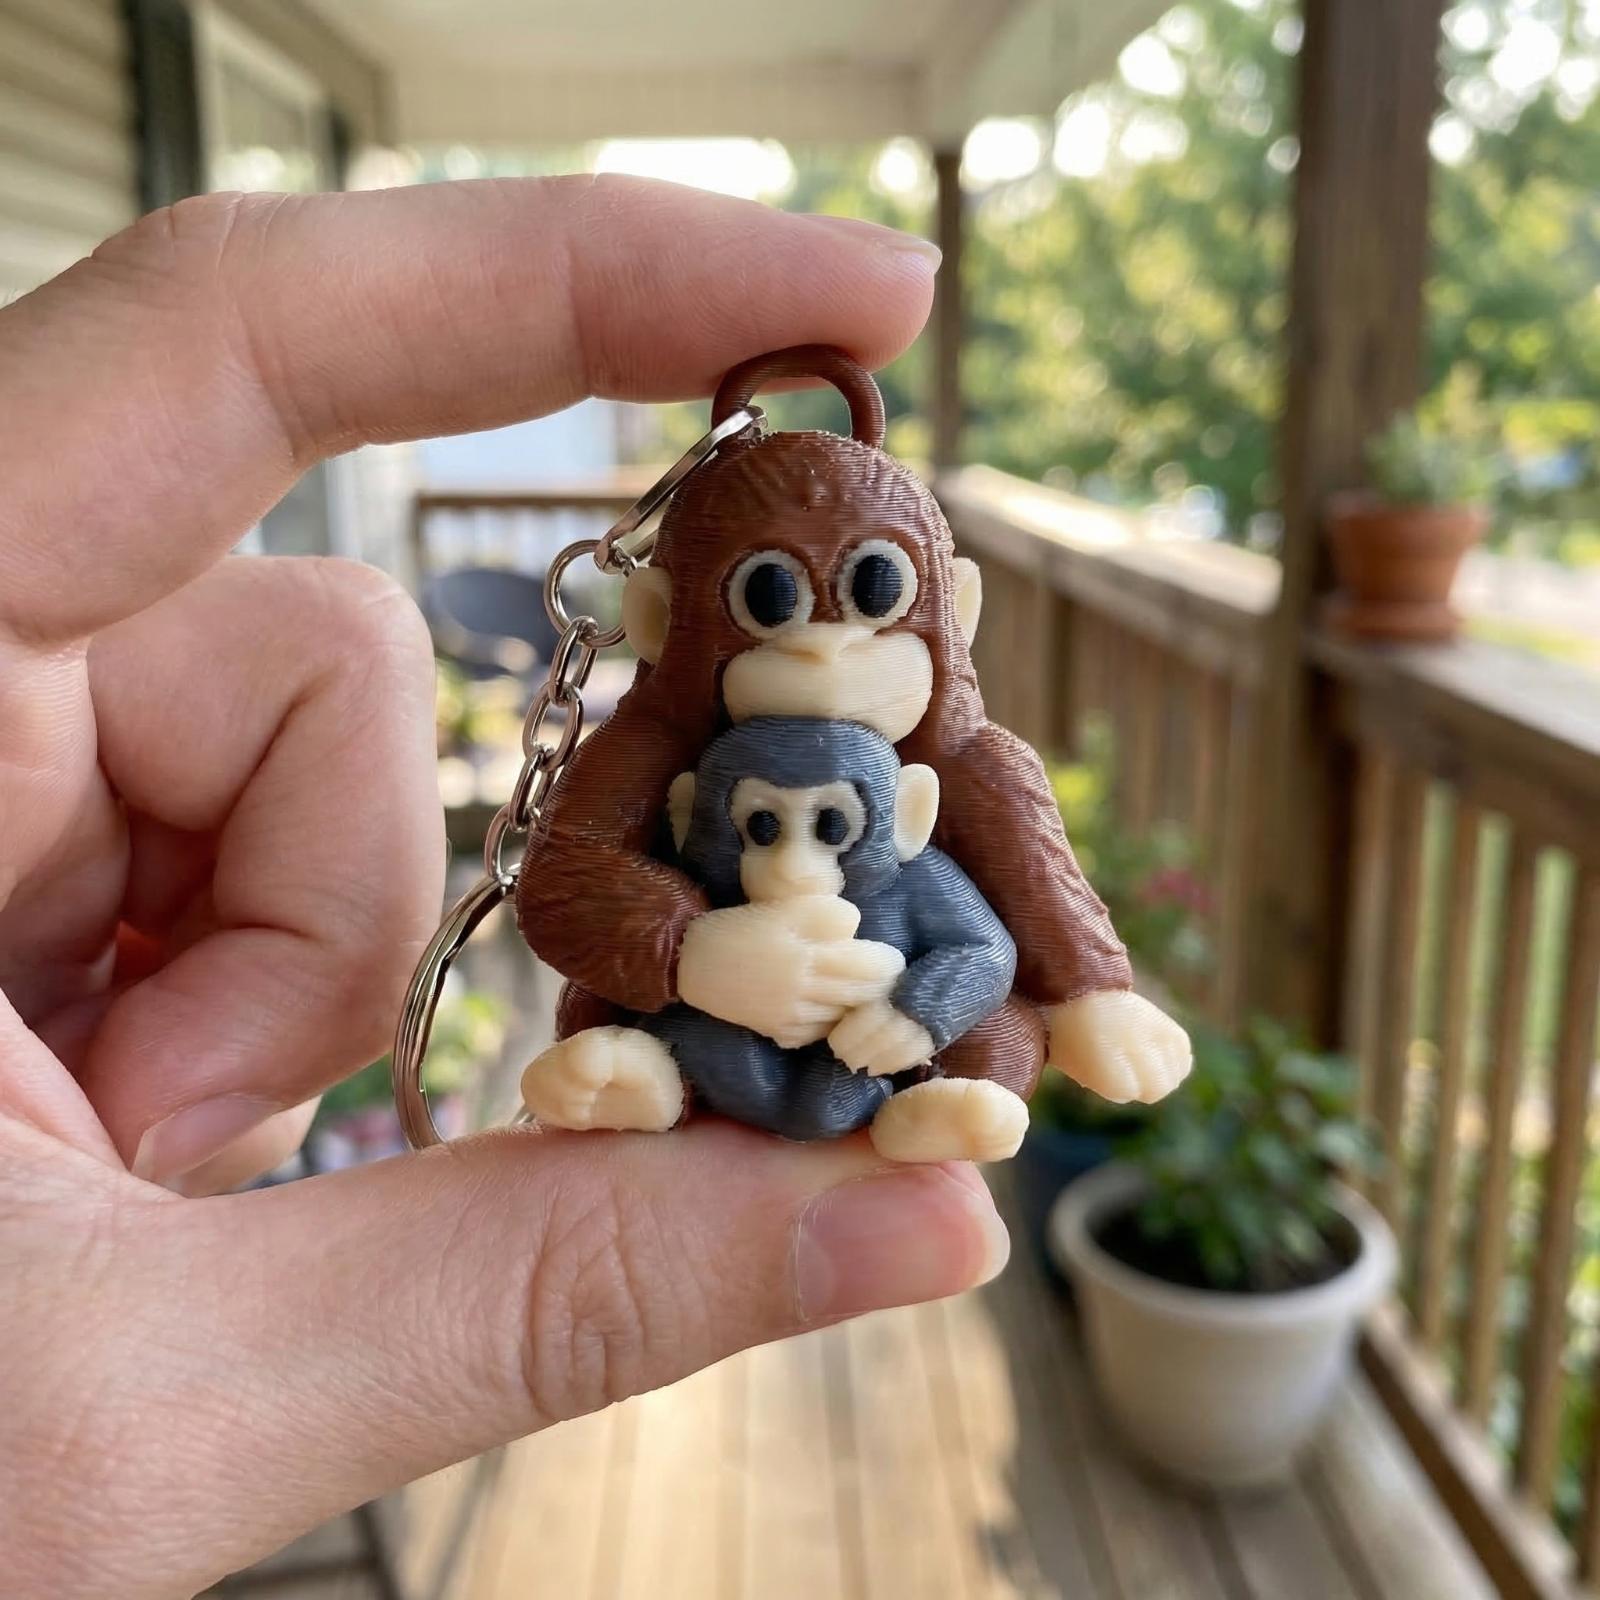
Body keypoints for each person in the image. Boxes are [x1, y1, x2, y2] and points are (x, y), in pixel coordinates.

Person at [0, 177, 1009, 1599]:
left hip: (874, 1028)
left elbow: (1003, 919)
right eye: (773, 601)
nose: (823, 648)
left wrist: (1015, 1003)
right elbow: (564, 891)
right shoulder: (659, 752)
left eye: (875, 597)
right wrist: (698, 954)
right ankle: (653, 1071)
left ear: (944, 612)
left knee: (977, 1020)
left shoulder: (945, 768)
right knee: (629, 1036)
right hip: (703, 1022)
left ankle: (941, 1090)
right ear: (670, 617)